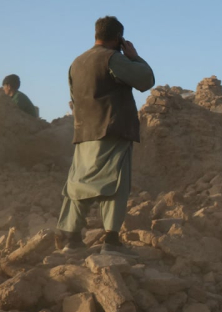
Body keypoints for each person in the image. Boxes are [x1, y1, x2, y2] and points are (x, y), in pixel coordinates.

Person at [55, 16, 155, 256]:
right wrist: (134, 57)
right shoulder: (113, 58)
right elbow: (145, 80)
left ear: (95, 35)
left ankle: (71, 238)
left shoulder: (76, 63)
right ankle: (111, 240)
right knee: (115, 183)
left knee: (79, 183)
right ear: (118, 38)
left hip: (84, 133)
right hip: (112, 130)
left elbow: (74, 98)